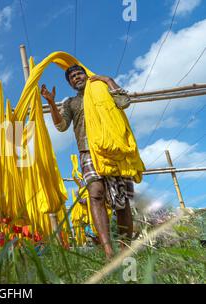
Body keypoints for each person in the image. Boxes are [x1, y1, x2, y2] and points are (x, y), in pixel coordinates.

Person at [41, 65, 134, 259]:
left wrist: (108, 80)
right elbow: (61, 126)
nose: (76, 77)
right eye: (72, 77)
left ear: (86, 75)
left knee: (122, 200)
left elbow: (124, 102)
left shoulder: (104, 91)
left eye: (78, 74)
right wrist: (51, 102)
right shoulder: (70, 103)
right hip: (88, 151)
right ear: (70, 83)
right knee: (96, 193)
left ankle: (126, 250)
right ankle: (108, 251)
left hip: (114, 149)